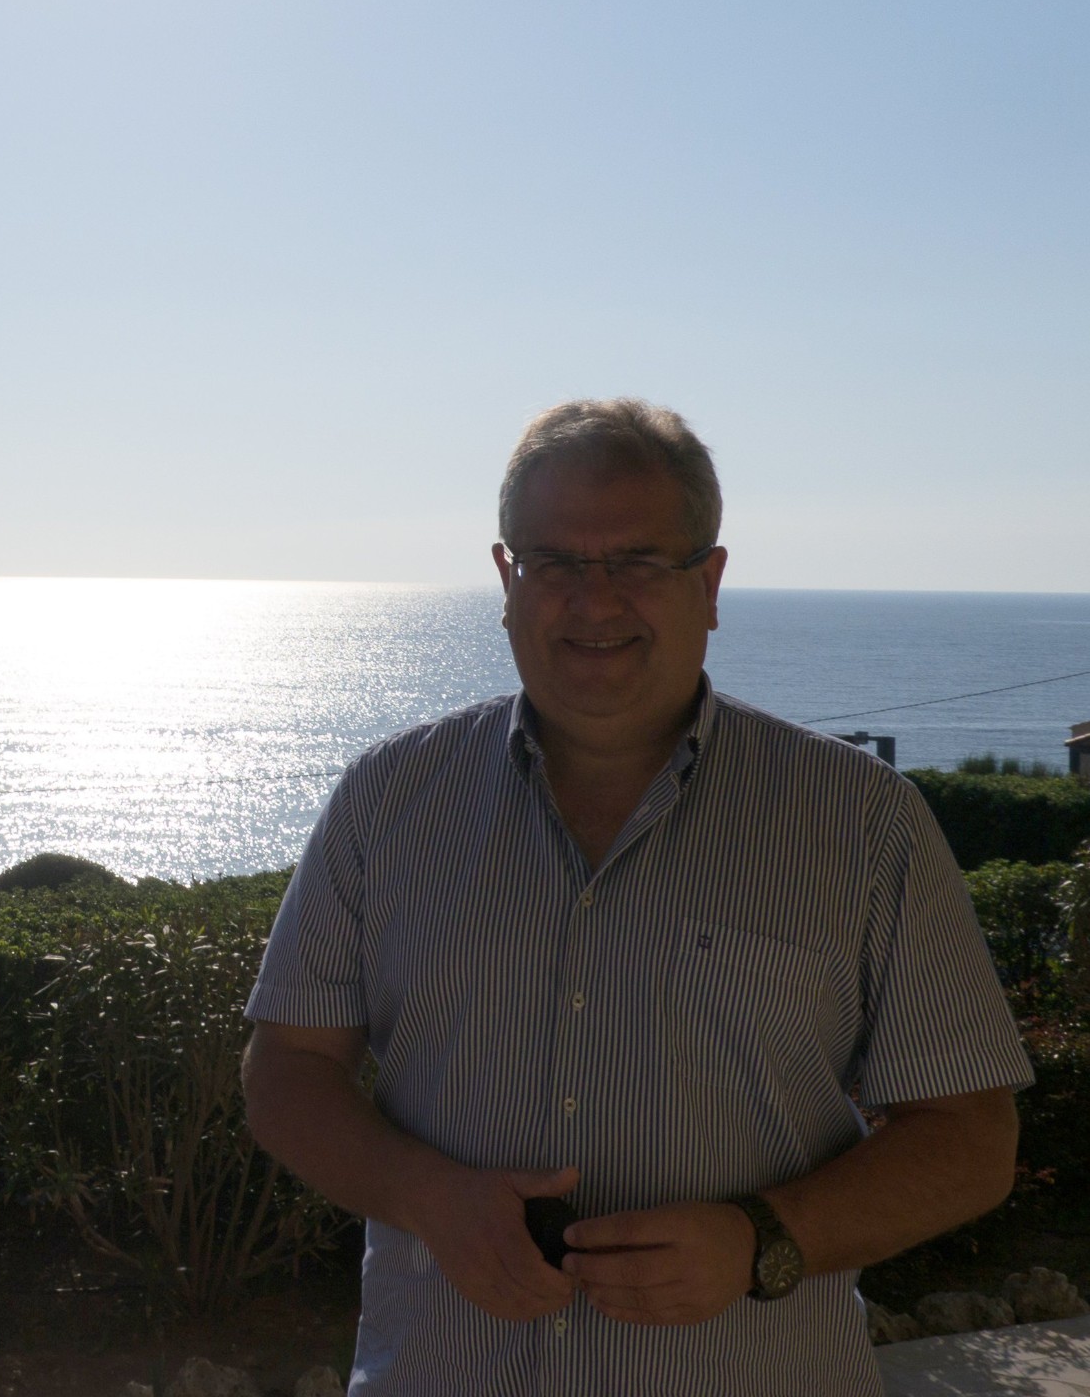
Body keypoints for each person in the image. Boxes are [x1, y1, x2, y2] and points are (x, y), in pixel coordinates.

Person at [240, 400, 1033, 1393]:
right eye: (554, 562)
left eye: (638, 562)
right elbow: (287, 1070)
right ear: (506, 581)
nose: (594, 600)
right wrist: (427, 1197)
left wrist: (763, 1239)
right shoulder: (388, 798)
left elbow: (969, 1135)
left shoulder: (859, 820)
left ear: (709, 583)